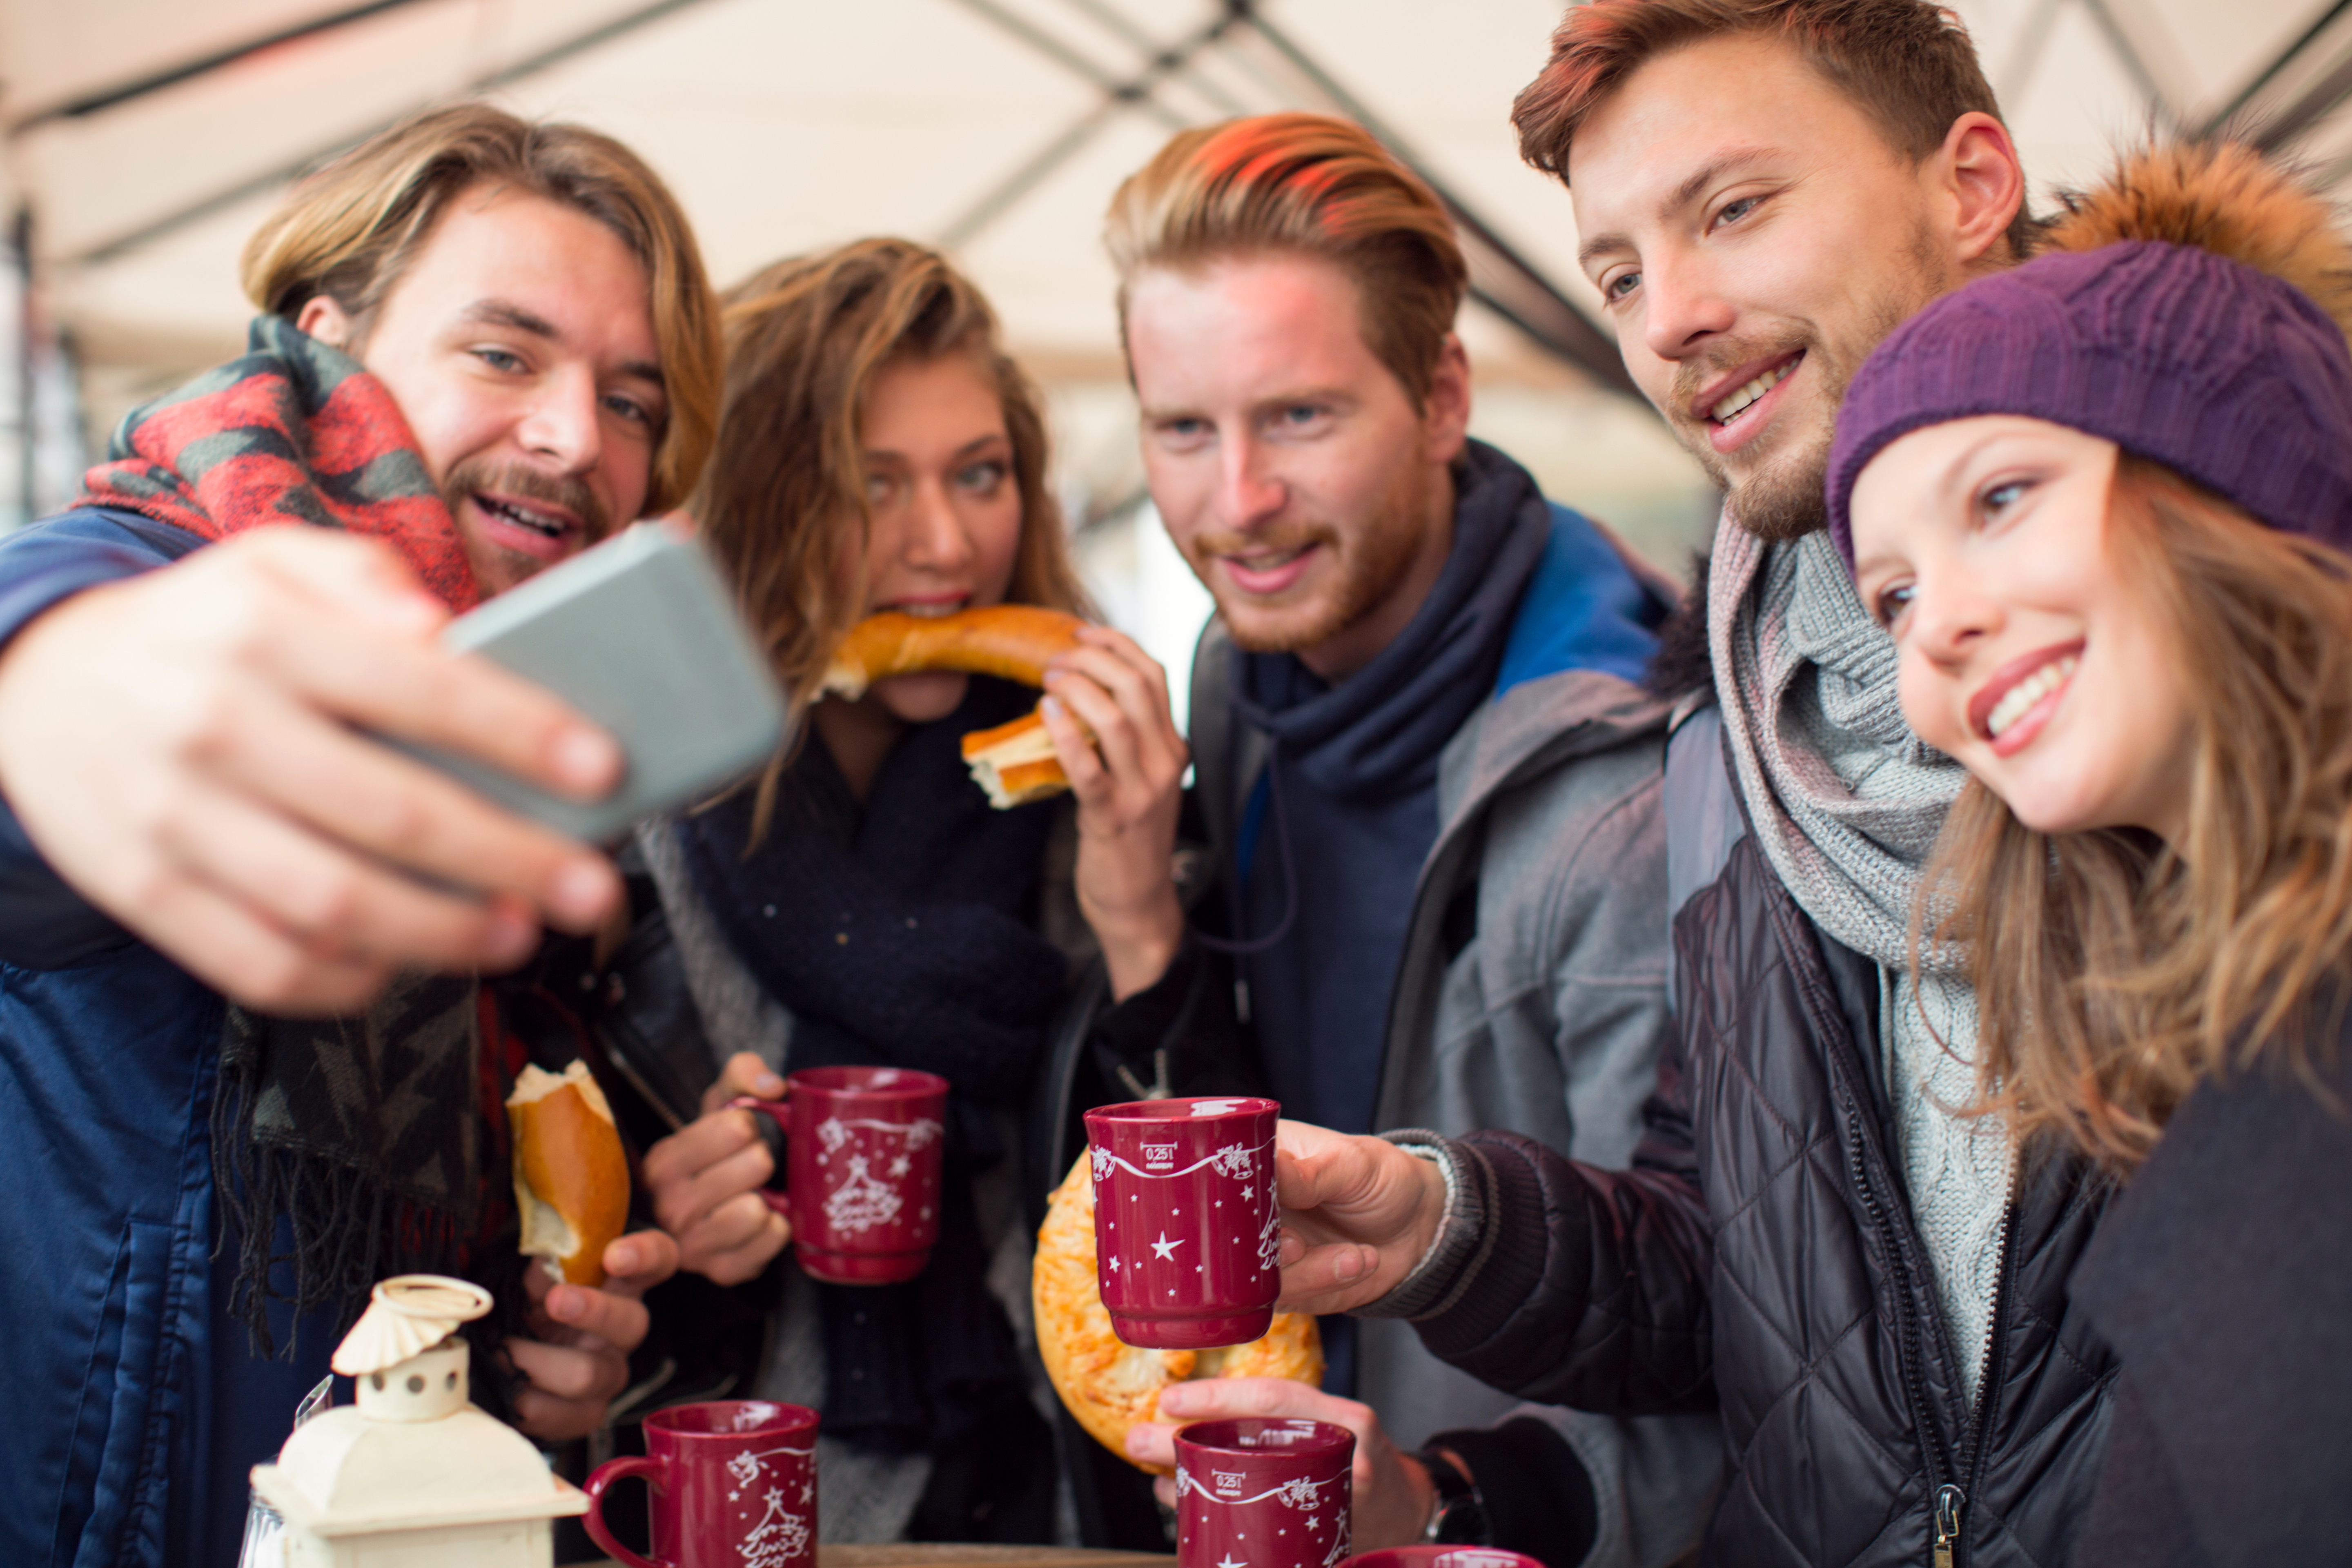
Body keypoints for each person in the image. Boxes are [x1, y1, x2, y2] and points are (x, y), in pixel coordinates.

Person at [1266, 6, 2136, 1567]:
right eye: (1617, 273)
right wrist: (1443, 1226)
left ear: (1972, 180)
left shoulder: (2244, 664)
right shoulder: (1739, 738)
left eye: (1733, 208)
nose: (1667, 317)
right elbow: (1758, 1289)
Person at [0, 104, 719, 1567]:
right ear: (333, 337)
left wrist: (536, 1364)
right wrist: (50, 694)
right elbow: (69, 673)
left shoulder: (520, 741)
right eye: (504, 353)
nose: (576, 435)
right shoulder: (156, 569)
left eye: (633, 401)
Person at [1102, 112, 1723, 1568]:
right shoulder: (1238, 681)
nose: (1237, 502)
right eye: (1184, 429)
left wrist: (1434, 1497)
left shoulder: (1624, 789)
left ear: (1442, 395)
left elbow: (1722, 1330)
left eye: (1300, 417)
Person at [625, 238, 1243, 1545]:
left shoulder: (1097, 782)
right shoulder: (641, 825)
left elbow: (1215, 1232)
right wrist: (672, 1225)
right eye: (870, 487)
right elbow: (555, 1287)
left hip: (1068, 1491)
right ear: (757, 504)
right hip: (741, 1493)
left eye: (981, 474)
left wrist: (1137, 916)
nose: (945, 542)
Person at [1829, 140, 2352, 1568]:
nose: (1933, 627)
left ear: (2241, 474)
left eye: (2000, 499)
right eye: (1893, 597)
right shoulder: (2215, 1039)